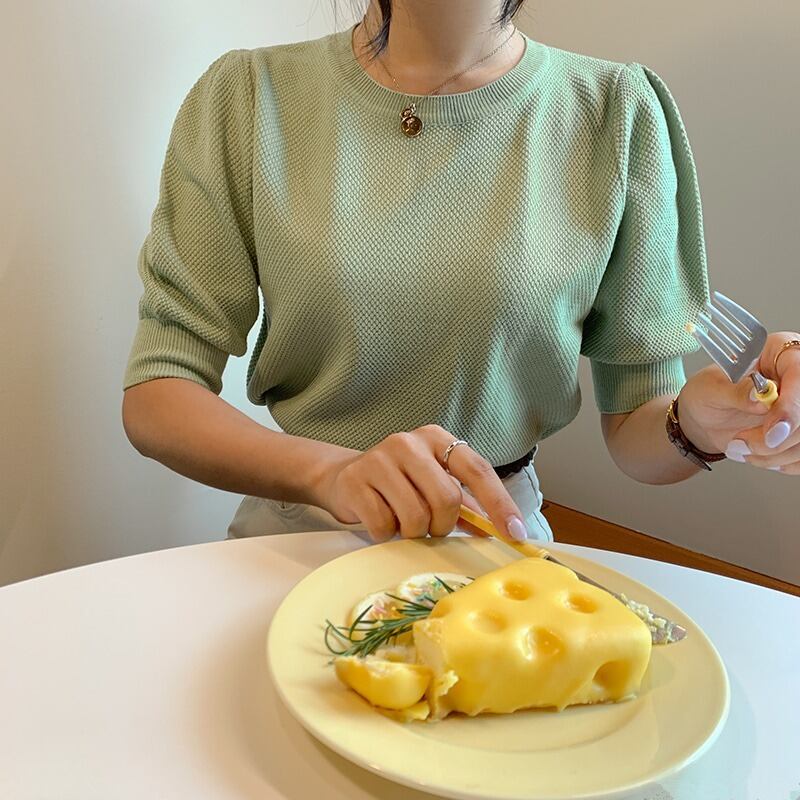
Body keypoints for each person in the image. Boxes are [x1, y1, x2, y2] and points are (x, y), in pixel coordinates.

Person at [121, 1, 800, 546]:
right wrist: (335, 474)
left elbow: (637, 428)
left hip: (496, 540)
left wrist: (701, 425)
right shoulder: (248, 98)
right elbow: (159, 393)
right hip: (296, 536)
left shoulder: (613, 113)